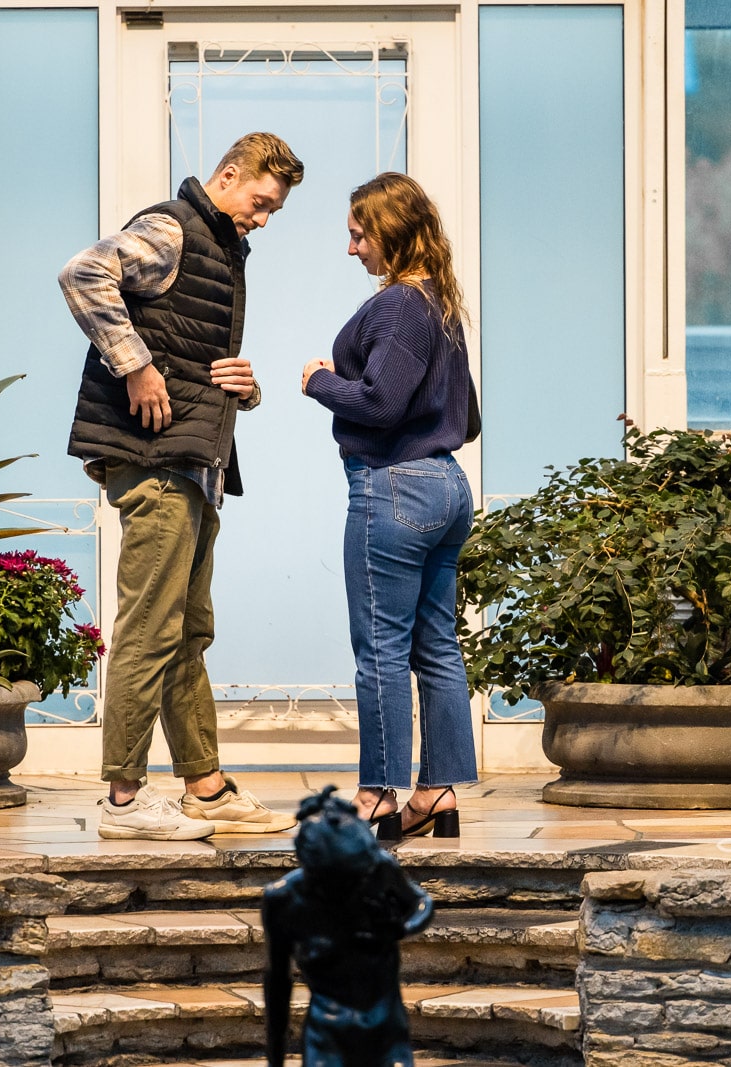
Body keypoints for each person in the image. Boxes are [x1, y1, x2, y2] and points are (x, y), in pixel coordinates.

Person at [61, 132, 305, 840]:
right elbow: (83, 273)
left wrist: (244, 389)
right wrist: (133, 365)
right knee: (151, 627)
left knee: (188, 630)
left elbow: (191, 354)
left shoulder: (221, 250)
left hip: (196, 464)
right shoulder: (172, 228)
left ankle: (204, 785)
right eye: (260, 202)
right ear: (229, 176)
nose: (262, 218)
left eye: (273, 211)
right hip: (158, 464)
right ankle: (124, 801)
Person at [301, 172, 476, 840]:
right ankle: (436, 792)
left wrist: (321, 381)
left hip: (393, 486)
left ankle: (376, 794)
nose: (352, 249)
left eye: (358, 233)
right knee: (436, 648)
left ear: (390, 232)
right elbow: (470, 415)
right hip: (445, 485)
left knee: (379, 649)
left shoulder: (402, 305)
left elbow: (379, 401)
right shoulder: (441, 303)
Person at [262, 787, 434, 1067]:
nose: (358, 885)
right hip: (328, 1031)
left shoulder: (378, 869)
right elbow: (278, 984)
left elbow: (421, 903)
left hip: (384, 1024)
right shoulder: (285, 900)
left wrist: (402, 928)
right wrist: (275, 1057)